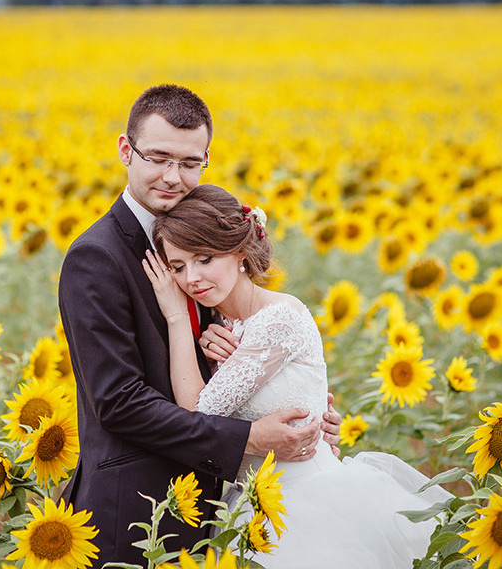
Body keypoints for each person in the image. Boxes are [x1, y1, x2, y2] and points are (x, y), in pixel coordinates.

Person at [57, 85, 341, 566]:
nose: (173, 177)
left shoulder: (203, 238)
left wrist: (305, 411)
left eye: (190, 163)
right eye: (159, 158)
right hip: (140, 509)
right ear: (126, 151)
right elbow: (119, 402)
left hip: (226, 508)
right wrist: (251, 438)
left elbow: (244, 363)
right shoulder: (96, 258)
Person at [142, 184, 452, 568]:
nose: (191, 278)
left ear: (239, 251)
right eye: (177, 267)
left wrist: (174, 316)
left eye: (204, 258)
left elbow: (197, 411)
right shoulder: (220, 325)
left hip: (311, 504)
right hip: (251, 508)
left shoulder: (279, 317)